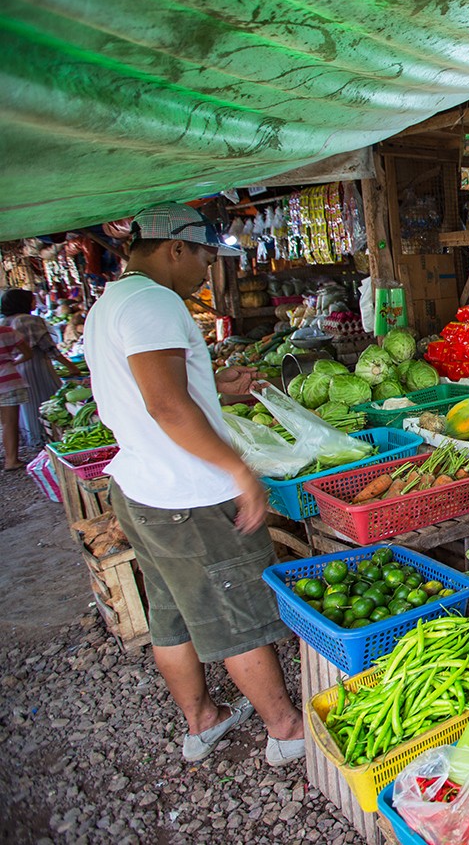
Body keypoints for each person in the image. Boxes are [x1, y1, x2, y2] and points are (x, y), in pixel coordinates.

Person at [84, 202, 305, 765]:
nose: (208, 269)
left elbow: (154, 391)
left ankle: (202, 721)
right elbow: (165, 404)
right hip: (190, 496)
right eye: (206, 256)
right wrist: (237, 469)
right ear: (175, 248)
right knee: (238, 616)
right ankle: (286, 731)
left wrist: (213, 386)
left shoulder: (111, 302)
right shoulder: (154, 303)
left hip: (142, 490)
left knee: (172, 613)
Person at [2, 288, 81, 446]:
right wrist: (71, 367)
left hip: (15, 368)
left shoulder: (4, 322)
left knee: (26, 407)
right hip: (36, 366)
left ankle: (33, 437)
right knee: (46, 401)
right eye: (32, 300)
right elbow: (49, 348)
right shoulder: (30, 320)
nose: (35, 303)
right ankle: (49, 437)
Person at [0, 324, 33, 471]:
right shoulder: (7, 331)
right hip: (9, 380)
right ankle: (11, 461)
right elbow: (28, 354)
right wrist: (12, 363)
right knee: (9, 423)